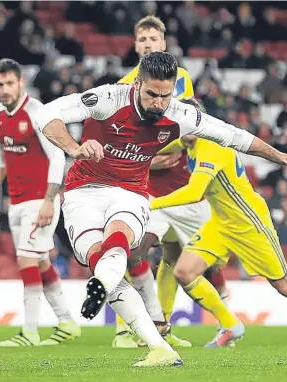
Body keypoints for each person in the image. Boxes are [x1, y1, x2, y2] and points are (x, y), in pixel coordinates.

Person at [35, 51, 287, 366]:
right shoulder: (109, 98)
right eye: (151, 94)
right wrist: (75, 147)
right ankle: (159, 347)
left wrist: (284, 158)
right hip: (82, 191)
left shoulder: (180, 114)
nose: (158, 102)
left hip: (131, 192)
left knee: (119, 239)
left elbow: (234, 137)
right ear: (138, 83)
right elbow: (47, 114)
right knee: (98, 257)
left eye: (165, 95)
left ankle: (102, 283)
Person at [149, 130, 287, 347]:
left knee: (284, 285)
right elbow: (151, 149)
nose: (179, 132)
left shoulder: (211, 146)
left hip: (249, 222)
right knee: (184, 272)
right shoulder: (187, 140)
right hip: (220, 223)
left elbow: (192, 192)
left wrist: (151, 204)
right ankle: (230, 324)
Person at [117, 16, 226, 349]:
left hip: (178, 178)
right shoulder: (123, 86)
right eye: (142, 39)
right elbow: (126, 138)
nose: (148, 43)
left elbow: (183, 125)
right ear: (135, 46)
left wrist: (170, 148)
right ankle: (124, 330)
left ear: (163, 44)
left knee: (174, 256)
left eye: (154, 38)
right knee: (132, 252)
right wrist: (150, 155)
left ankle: (160, 325)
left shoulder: (182, 79)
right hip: (143, 179)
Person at [0, 59, 81, 347]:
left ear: (21, 82)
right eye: (0, 84)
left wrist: (50, 201)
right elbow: (1, 156)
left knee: (26, 261)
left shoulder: (38, 112)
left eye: (10, 83)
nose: (5, 89)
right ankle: (66, 322)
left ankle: (29, 332)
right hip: (16, 201)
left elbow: (57, 157)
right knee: (39, 262)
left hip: (40, 201)